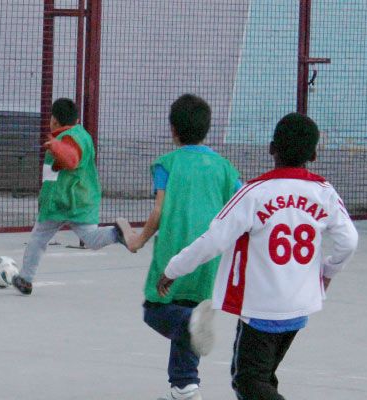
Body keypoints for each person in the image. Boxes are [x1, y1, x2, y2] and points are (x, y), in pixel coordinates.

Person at [158, 112, 358, 400]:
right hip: (300, 305)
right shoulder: (324, 193)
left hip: (263, 307)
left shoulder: (255, 193)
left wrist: (174, 268)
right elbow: (349, 241)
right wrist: (327, 272)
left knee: (248, 381)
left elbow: (214, 239)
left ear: (271, 147)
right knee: (263, 376)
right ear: (314, 154)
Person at [127, 94, 242, 400]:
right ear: (207, 129)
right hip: (210, 256)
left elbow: (158, 211)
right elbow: (241, 206)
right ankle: (185, 386)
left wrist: (139, 239)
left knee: (156, 310)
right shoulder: (225, 167)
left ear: (173, 130)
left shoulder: (167, 164)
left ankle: (187, 338)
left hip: (174, 253)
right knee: (192, 313)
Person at [11, 98, 136, 296]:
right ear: (77, 118)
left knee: (38, 239)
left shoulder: (68, 139)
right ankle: (115, 233)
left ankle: (25, 279)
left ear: (54, 121)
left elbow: (71, 158)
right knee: (91, 239)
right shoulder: (82, 135)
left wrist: (56, 146)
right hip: (82, 201)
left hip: (60, 202)